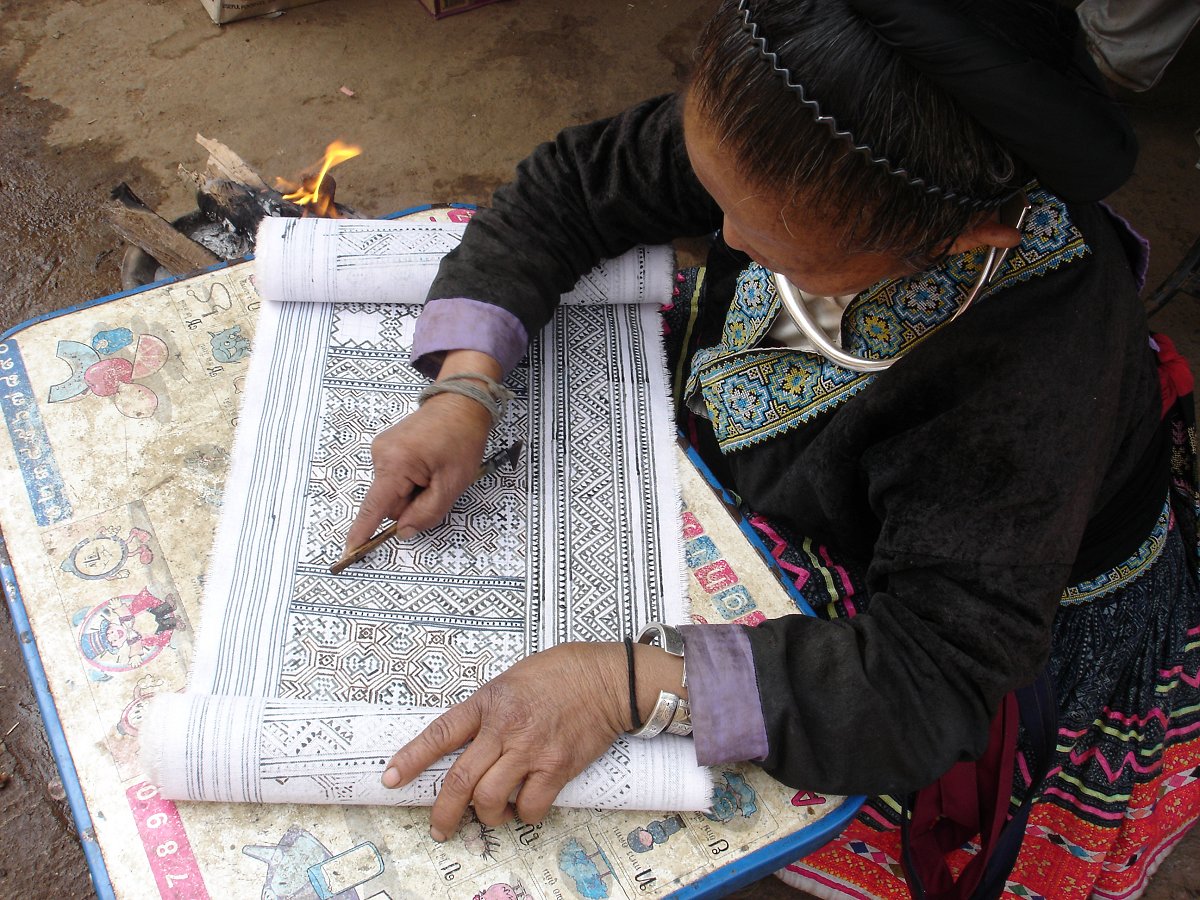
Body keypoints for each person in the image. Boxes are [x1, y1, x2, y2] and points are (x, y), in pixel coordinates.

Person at [349, 1, 1200, 897]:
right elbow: (579, 180)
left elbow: (933, 677)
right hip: (835, 496)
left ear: (964, 240)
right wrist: (465, 390)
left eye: (770, 236)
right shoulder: (797, 121)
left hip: (987, 602)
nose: (725, 240)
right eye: (717, 200)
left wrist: (624, 683)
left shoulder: (1029, 380)